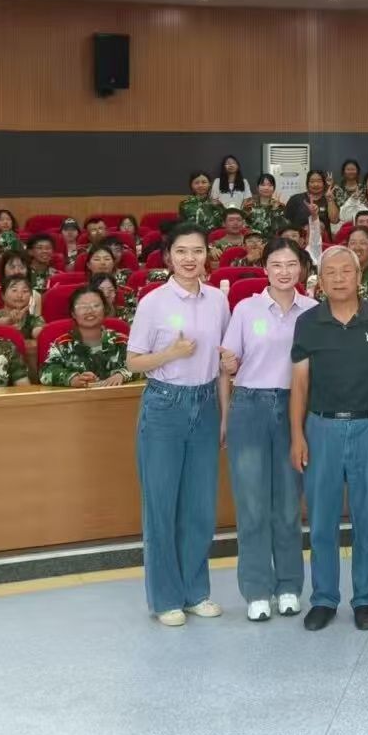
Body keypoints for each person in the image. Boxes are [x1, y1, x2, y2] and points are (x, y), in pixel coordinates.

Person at [125, 224, 231, 627]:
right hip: (165, 406)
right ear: (168, 256)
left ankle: (195, 592)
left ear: (207, 255)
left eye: (197, 251)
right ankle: (166, 598)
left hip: (205, 403)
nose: (190, 259)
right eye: (182, 251)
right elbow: (134, 361)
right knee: (162, 506)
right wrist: (170, 353)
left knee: (200, 507)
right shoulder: (153, 302)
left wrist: (224, 414)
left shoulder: (218, 300)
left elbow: (223, 362)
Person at [291, 245, 368, 632]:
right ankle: (323, 598)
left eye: (345, 271)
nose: (338, 279)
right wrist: (297, 436)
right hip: (322, 429)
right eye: (330, 273)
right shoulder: (308, 323)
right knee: (321, 520)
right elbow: (299, 385)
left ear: (359, 276)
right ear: (320, 280)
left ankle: (366, 599)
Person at [215, 239, 315, 622]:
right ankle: (256, 589)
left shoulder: (313, 310)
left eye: (291, 264)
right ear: (265, 268)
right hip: (250, 407)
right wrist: (226, 416)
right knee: (253, 505)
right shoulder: (246, 309)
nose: (284, 272)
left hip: (295, 408)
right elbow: (227, 367)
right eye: (276, 264)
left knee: (289, 504)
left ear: (301, 269)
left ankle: (288, 586)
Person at [39, 286, 130, 387]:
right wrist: (71, 378)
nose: (90, 311)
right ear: (73, 313)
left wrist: (122, 375)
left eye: (96, 305)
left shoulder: (121, 341)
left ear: (105, 309)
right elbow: (46, 372)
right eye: (82, 307)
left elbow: (141, 365)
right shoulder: (63, 344)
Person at [0, 273, 42, 341]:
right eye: (14, 290)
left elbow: (40, 333)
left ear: (31, 296)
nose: (20, 295)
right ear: (3, 295)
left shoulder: (33, 319)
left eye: (25, 291)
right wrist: (9, 320)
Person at [242, 173, 285, 239]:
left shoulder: (280, 206)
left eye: (270, 185)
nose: (266, 188)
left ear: (274, 188)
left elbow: (282, 228)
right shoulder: (249, 205)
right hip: (254, 241)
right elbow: (243, 226)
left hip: (274, 242)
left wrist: (275, 209)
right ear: (257, 187)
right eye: (263, 185)